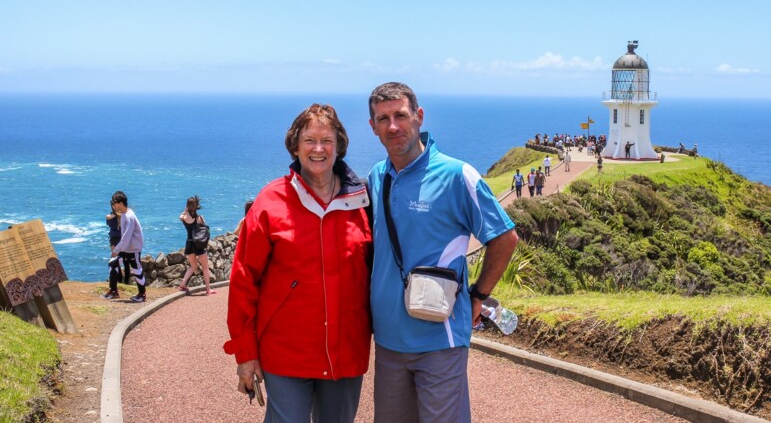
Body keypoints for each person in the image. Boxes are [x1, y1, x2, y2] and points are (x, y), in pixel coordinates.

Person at [367, 82, 518, 422]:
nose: (393, 126)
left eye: (401, 116)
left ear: (418, 117)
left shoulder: (456, 175)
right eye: (383, 118)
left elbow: (505, 238)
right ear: (373, 126)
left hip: (440, 336)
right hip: (389, 341)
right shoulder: (378, 177)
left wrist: (479, 295)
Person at [224, 104, 372, 423]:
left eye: (327, 140)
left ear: (339, 146)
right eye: (309, 140)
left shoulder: (363, 201)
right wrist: (246, 354)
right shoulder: (270, 202)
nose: (318, 149)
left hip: (346, 354)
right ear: (295, 145)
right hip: (285, 353)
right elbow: (243, 281)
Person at [102, 191, 146, 302]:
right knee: (112, 264)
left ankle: (142, 294)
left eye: (115, 203)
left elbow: (126, 237)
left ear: (120, 203)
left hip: (133, 249)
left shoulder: (129, 217)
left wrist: (116, 250)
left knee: (136, 269)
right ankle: (113, 291)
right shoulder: (125, 214)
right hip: (126, 248)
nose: (113, 205)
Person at [178, 196, 217, 295]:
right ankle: (208, 289)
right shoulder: (199, 218)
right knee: (205, 267)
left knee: (193, 266)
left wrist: (185, 211)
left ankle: (183, 284)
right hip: (198, 244)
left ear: (187, 206)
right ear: (197, 206)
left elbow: (180, 216)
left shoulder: (184, 218)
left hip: (189, 243)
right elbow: (206, 229)